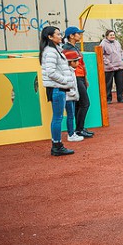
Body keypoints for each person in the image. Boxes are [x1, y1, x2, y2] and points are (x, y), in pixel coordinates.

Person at [39, 26, 75, 156]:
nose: (60, 36)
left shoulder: (55, 50)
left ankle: (57, 144)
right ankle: (57, 145)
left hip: (57, 88)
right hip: (57, 88)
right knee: (58, 118)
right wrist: (65, 80)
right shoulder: (51, 52)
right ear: (50, 37)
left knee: (57, 117)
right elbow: (51, 72)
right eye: (58, 34)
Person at [61, 26, 94, 139]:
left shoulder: (74, 47)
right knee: (85, 103)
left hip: (80, 77)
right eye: (78, 34)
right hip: (75, 77)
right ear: (71, 36)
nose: (80, 35)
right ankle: (79, 129)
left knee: (80, 104)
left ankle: (80, 128)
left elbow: (81, 64)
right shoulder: (67, 48)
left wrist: (85, 78)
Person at [61, 49, 82, 142]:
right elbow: (68, 85)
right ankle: (71, 134)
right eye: (76, 61)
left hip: (71, 96)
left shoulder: (71, 71)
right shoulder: (68, 72)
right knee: (70, 115)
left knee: (71, 115)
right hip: (69, 97)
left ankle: (72, 132)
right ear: (71, 62)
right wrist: (72, 93)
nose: (78, 62)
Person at [99, 29, 123, 104]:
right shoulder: (103, 44)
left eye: (113, 35)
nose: (112, 36)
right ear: (107, 36)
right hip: (109, 67)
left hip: (119, 66)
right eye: (111, 35)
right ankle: (108, 98)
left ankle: (120, 97)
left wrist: (122, 61)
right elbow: (102, 55)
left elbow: (121, 52)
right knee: (108, 84)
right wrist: (108, 63)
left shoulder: (117, 43)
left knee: (120, 83)